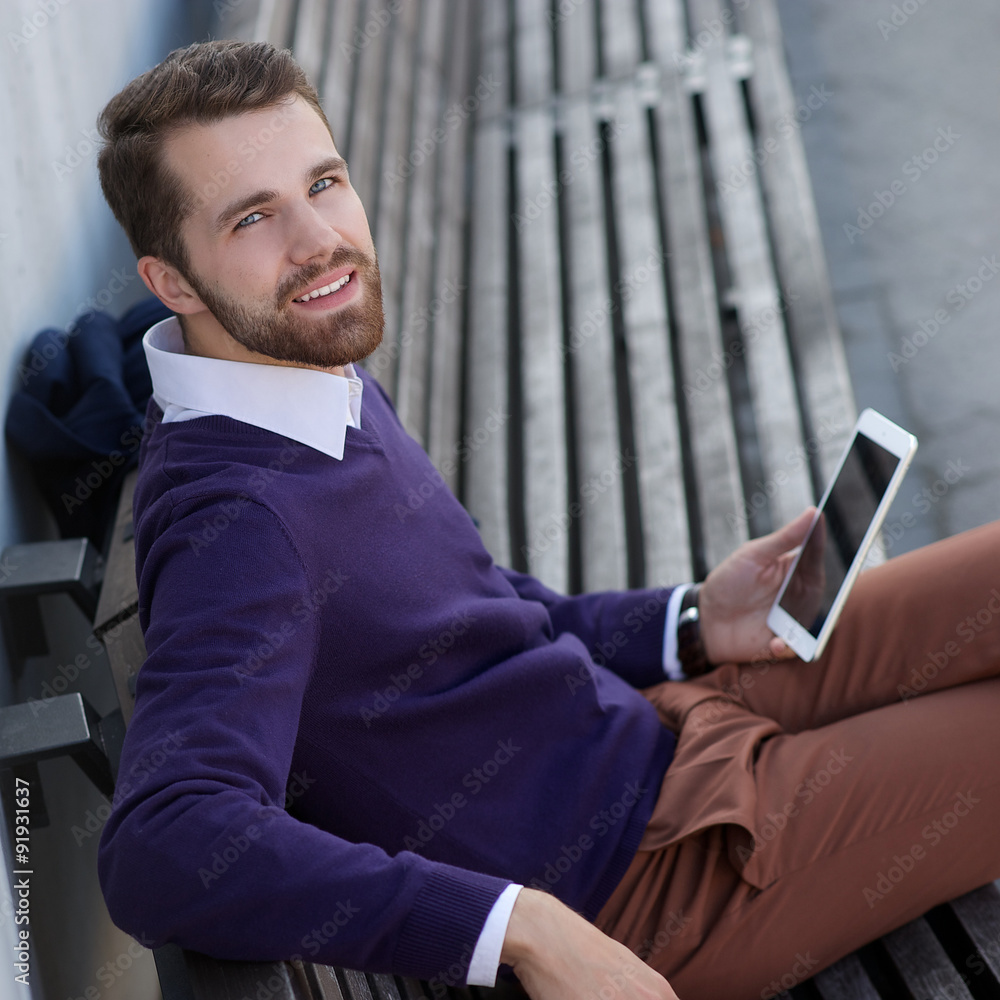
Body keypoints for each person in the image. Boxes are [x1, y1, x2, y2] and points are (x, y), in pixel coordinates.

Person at [94, 39, 1000, 1000]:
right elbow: (165, 843)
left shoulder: (302, 371)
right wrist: (513, 927)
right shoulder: (238, 524)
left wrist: (690, 621)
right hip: (664, 884)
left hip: (658, 725)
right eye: (252, 218)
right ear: (175, 282)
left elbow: (479, 618)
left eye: (324, 183)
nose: (319, 240)